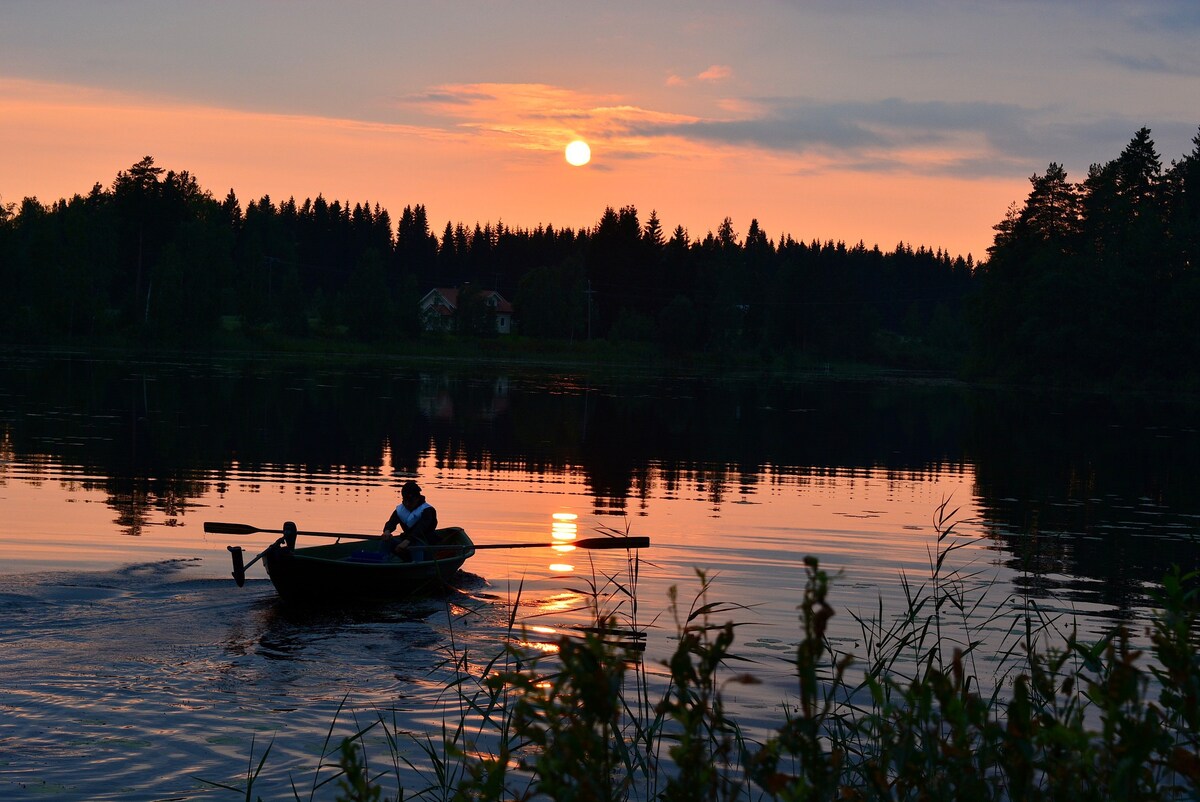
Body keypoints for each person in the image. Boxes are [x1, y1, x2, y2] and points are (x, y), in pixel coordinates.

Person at [380, 480, 438, 561]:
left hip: (425, 545)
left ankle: (417, 567)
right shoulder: (400, 509)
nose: (407, 504)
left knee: (416, 545)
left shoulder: (427, 510)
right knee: (386, 541)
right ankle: (383, 561)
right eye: (405, 500)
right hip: (406, 542)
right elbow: (391, 522)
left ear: (417, 498)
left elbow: (420, 529)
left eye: (410, 501)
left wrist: (407, 541)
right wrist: (387, 531)